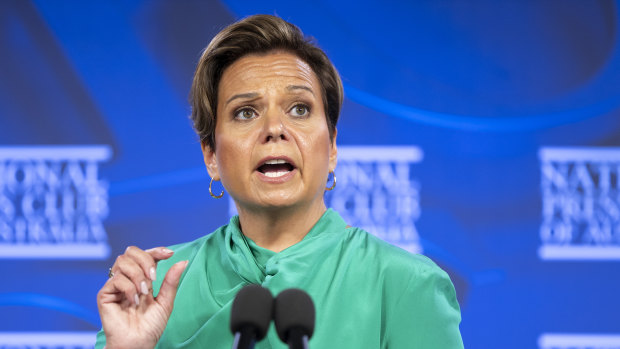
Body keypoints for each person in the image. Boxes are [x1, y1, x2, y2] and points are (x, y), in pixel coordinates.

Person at [96, 14, 463, 348]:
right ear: (211, 155)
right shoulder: (154, 288)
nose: (274, 129)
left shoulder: (404, 286)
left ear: (332, 145)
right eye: (245, 112)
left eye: (299, 109)